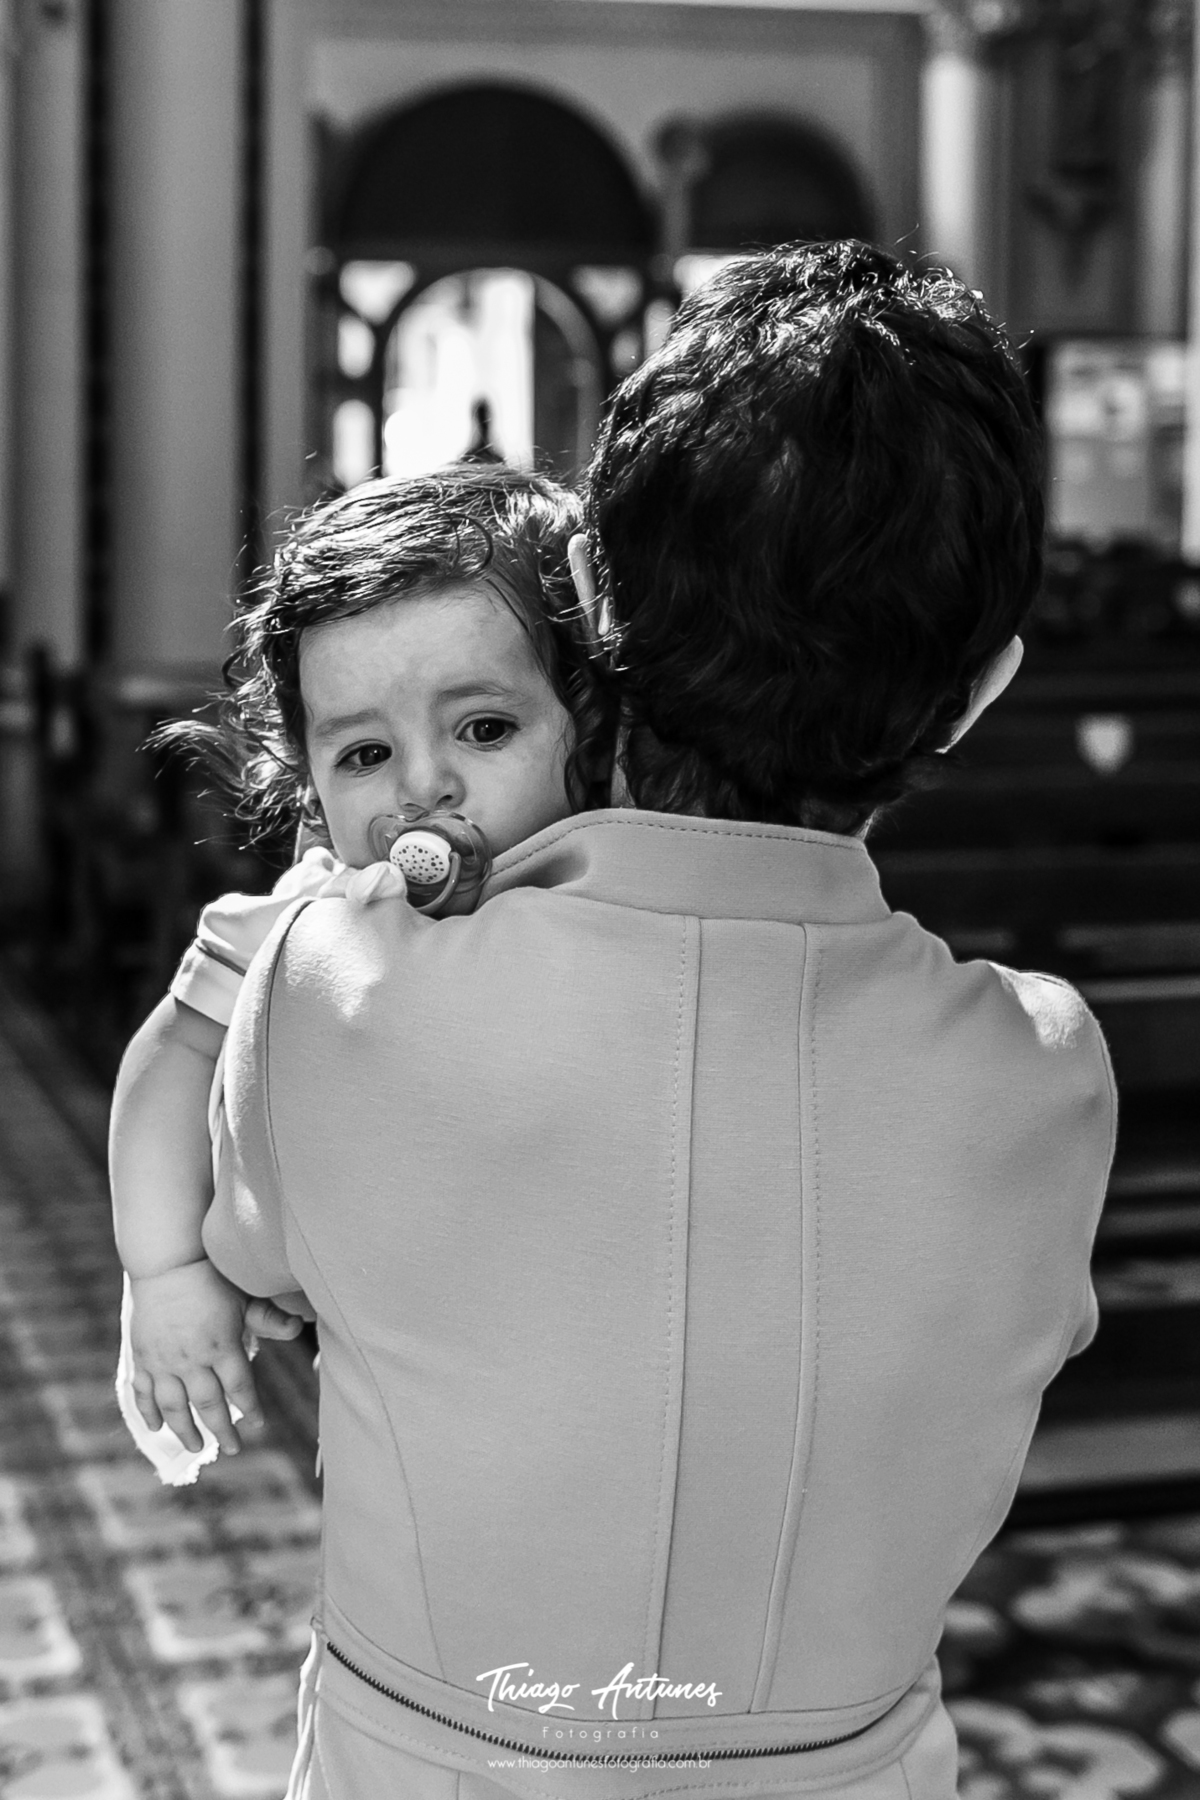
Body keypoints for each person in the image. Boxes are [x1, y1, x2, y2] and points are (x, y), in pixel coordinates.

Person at [201, 241, 1116, 1799]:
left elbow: (255, 1262)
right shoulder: (1048, 1076)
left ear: (594, 596)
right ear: (979, 691)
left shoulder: (336, 982)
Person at [108, 466, 611, 1478]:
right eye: (366, 754)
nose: (424, 784)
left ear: (590, 726)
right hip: (402, 1386)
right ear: (306, 784)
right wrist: (162, 1273)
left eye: (485, 728)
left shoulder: (612, 899)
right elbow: (169, 1064)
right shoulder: (311, 915)